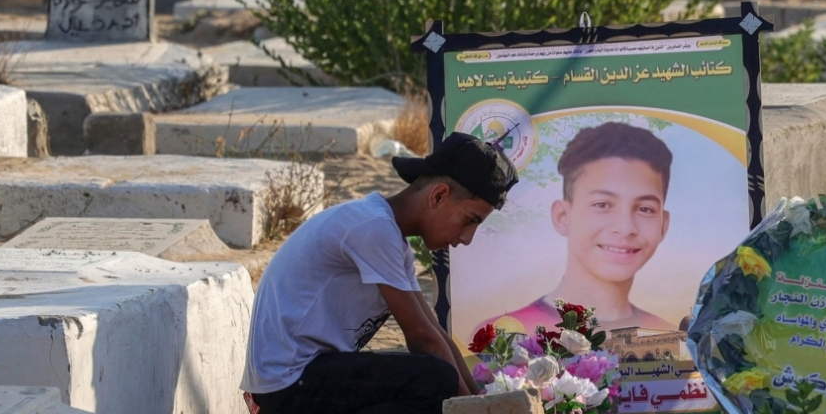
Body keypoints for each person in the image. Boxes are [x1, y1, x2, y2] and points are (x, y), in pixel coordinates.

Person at [242, 132, 519, 414]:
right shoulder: (373, 227)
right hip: (287, 386)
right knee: (433, 379)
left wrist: (482, 403)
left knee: (436, 377)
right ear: (438, 195)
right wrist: (472, 410)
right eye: (469, 221)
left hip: (302, 380)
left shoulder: (389, 235)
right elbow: (422, 339)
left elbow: (435, 332)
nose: (467, 238)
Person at [482, 121, 675, 336]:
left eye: (645, 209)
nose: (625, 227)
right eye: (602, 205)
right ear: (563, 216)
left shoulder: (666, 335)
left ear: (663, 225)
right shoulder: (504, 336)